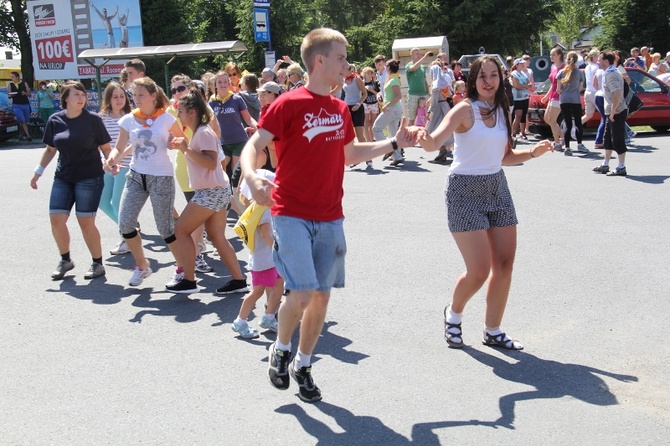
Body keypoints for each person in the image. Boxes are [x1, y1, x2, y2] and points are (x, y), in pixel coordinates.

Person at [239, 28, 418, 403]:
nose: (346, 64)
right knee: (301, 292)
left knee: (321, 298)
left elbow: (349, 154)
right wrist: (252, 174)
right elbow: (254, 144)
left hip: (330, 216)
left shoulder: (339, 108)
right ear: (319, 61)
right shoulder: (287, 103)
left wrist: (394, 143)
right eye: (341, 57)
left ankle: (303, 364)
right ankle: (281, 347)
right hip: (291, 213)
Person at [411, 55, 553, 351]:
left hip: (497, 187)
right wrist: (422, 137)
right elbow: (435, 142)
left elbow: (505, 157)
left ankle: (493, 330)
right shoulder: (465, 110)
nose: (489, 81)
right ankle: (453, 314)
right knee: (479, 270)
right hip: (464, 190)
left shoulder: (502, 109)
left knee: (504, 265)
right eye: (482, 76)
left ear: (500, 79)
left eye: (493, 75)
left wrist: (533, 153)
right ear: (473, 81)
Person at [103, 77, 187, 287]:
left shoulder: (166, 118)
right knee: (125, 223)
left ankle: (183, 268)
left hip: (161, 176)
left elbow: (183, 140)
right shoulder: (129, 120)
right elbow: (119, 147)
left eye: (141, 94)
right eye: (134, 95)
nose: (136, 99)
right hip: (136, 175)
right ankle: (142, 266)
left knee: (165, 228)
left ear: (153, 96)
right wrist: (112, 158)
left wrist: (175, 142)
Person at [166, 89, 249, 294]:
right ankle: (238, 281)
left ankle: (189, 280)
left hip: (210, 191)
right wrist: (185, 148)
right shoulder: (201, 132)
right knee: (216, 236)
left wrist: (185, 149)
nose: (179, 115)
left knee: (181, 230)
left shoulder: (203, 132)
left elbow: (211, 163)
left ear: (192, 112)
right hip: (216, 190)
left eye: (181, 111)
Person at [30, 81, 112, 280]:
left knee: (85, 222)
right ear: (65, 98)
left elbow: (106, 147)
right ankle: (65, 260)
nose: (81, 98)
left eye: (83, 94)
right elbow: (50, 149)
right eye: (76, 94)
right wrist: (38, 172)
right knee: (56, 219)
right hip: (63, 177)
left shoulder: (93, 120)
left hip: (90, 177)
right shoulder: (55, 120)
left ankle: (97, 264)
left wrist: (111, 163)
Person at [231, 150, 283, 338]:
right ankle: (240, 321)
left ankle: (269, 316)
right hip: (264, 259)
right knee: (257, 292)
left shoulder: (256, 207)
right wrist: (280, 249)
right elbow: (266, 233)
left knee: (279, 285)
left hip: (266, 259)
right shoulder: (264, 210)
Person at [98, 81, 133, 255]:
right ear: (108, 98)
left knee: (119, 203)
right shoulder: (101, 117)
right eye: (115, 97)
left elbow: (134, 143)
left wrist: (118, 158)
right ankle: (129, 230)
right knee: (103, 203)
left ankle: (127, 238)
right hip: (107, 165)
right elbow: (98, 142)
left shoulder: (130, 116)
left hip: (125, 165)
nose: (119, 100)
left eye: (122, 96)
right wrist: (108, 160)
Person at [210, 71, 257, 174]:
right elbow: (208, 124)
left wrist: (259, 128)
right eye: (220, 82)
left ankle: (236, 190)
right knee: (220, 170)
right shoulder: (211, 103)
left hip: (239, 140)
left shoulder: (236, 99)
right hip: (222, 142)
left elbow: (248, 119)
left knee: (236, 170)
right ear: (216, 85)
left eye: (225, 82)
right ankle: (225, 190)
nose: (223, 85)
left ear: (229, 83)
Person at [592, 51, 628, 176]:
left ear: (606, 61)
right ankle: (605, 164)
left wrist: (613, 112)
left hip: (617, 111)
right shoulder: (608, 72)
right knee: (607, 139)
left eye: (599, 60)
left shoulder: (611, 74)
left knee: (617, 139)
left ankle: (621, 166)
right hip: (611, 111)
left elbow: (617, 93)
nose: (597, 61)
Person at [373, 59, 405, 166]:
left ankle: (387, 149)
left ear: (389, 68)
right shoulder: (391, 79)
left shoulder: (393, 80)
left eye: (386, 66)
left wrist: (386, 105)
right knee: (392, 134)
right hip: (394, 109)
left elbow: (398, 96)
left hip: (392, 109)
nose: (385, 68)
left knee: (376, 128)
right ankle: (398, 156)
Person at [556, 51, 588, 155]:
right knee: (578, 122)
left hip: (564, 99)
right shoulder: (579, 72)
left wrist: (564, 92)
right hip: (575, 99)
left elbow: (558, 89)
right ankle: (579, 144)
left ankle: (567, 147)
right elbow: (581, 88)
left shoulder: (561, 72)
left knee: (568, 123)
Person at [541, 47, 565, 150]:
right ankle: (563, 137)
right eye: (551, 55)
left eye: (553, 55)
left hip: (559, 96)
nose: (551, 57)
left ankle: (557, 142)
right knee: (547, 118)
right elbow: (552, 83)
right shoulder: (553, 67)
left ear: (559, 55)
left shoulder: (564, 67)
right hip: (552, 96)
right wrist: (546, 96)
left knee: (553, 119)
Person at [405, 48, 430, 125]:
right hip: (413, 94)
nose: (419, 55)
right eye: (416, 54)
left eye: (419, 53)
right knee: (412, 117)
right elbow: (413, 68)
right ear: (412, 55)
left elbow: (425, 80)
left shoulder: (422, 67)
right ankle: (409, 136)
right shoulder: (408, 65)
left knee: (425, 116)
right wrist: (424, 57)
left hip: (423, 94)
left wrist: (428, 92)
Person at [510, 58, 531, 140]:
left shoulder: (524, 74)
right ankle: (513, 133)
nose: (523, 65)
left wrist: (525, 86)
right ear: (517, 65)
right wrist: (525, 86)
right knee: (518, 115)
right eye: (521, 63)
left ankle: (523, 133)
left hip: (525, 97)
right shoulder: (514, 74)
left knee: (523, 115)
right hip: (517, 98)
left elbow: (528, 83)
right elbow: (517, 86)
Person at [8, 71, 32, 141]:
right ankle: (28, 135)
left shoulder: (24, 83)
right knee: (22, 120)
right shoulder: (10, 84)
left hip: (25, 104)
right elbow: (9, 95)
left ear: (17, 77)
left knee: (24, 121)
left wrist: (25, 93)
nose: (11, 78)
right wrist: (12, 95)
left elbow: (29, 94)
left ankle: (21, 135)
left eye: (12, 77)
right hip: (16, 105)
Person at [361, 66, 380, 143]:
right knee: (366, 122)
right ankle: (368, 140)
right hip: (365, 103)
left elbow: (378, 94)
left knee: (373, 122)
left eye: (371, 73)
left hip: (374, 103)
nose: (369, 74)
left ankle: (372, 139)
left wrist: (372, 90)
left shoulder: (375, 83)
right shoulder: (362, 83)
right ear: (364, 74)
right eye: (368, 73)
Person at [582, 49, 600, 128]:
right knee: (604, 113)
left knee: (588, 115)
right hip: (595, 92)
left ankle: (573, 127)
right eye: (598, 56)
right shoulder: (596, 67)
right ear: (594, 57)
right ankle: (604, 132)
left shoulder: (587, 67)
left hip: (588, 91)